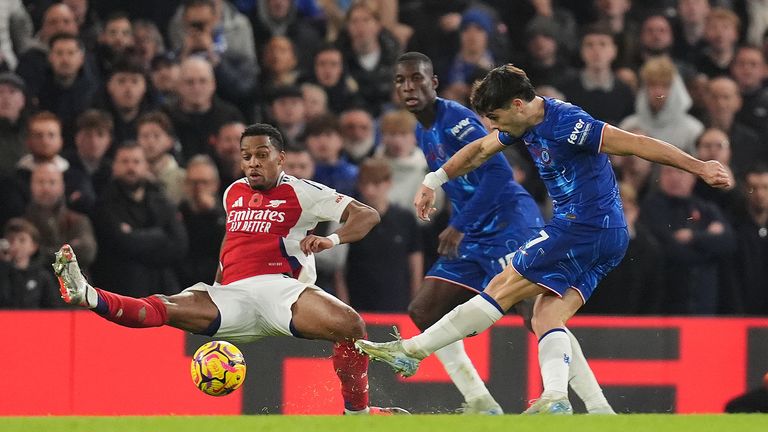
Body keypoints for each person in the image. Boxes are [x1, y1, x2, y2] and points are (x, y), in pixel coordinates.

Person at [355, 63, 731, 414]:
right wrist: (433, 180)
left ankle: (412, 351)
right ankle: (559, 398)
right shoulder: (524, 122)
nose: (494, 126)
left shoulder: (569, 123)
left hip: (582, 226)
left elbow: (636, 143)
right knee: (547, 313)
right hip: (608, 236)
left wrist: (698, 166)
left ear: (517, 105)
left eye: (498, 117)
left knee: (503, 286)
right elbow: (480, 150)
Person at [54, 123, 406, 415]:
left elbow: (367, 214)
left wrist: (331, 241)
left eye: (262, 155)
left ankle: (356, 415)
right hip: (231, 295)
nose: (253, 163)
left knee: (351, 325)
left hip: (281, 290)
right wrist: (217, 285)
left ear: (281, 158)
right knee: (161, 306)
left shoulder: (302, 192)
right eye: (246, 156)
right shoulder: (233, 192)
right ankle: (86, 294)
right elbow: (231, 242)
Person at [379, 52, 616, 415]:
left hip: (508, 223)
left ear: (434, 82)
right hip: (475, 232)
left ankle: (596, 406)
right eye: (401, 80)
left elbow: (498, 173)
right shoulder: (422, 129)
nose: (409, 87)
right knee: (424, 308)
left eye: (416, 78)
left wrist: (458, 223)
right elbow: (465, 178)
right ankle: (480, 401)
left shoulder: (456, 118)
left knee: (535, 314)